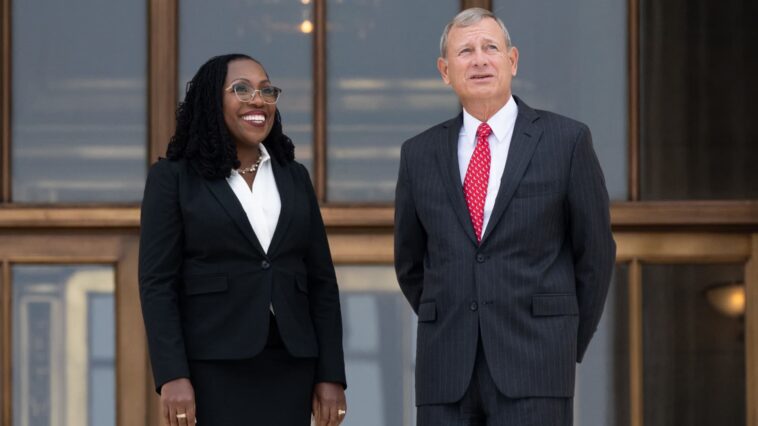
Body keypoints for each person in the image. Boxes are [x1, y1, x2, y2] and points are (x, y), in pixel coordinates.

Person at [394, 8, 616, 425]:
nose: (479, 59)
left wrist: (562, 340)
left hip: (537, 362)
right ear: (445, 71)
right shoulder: (418, 154)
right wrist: (454, 313)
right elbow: (410, 263)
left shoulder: (567, 141)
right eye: (465, 51)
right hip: (446, 371)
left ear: (512, 61)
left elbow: (596, 255)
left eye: (490, 47)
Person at [139, 53, 347, 426]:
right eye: (242, 89)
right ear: (210, 99)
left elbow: (321, 282)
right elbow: (157, 284)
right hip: (212, 367)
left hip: (291, 364)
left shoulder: (294, 176)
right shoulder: (173, 179)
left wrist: (330, 373)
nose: (258, 100)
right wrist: (172, 374)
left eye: (267, 91)